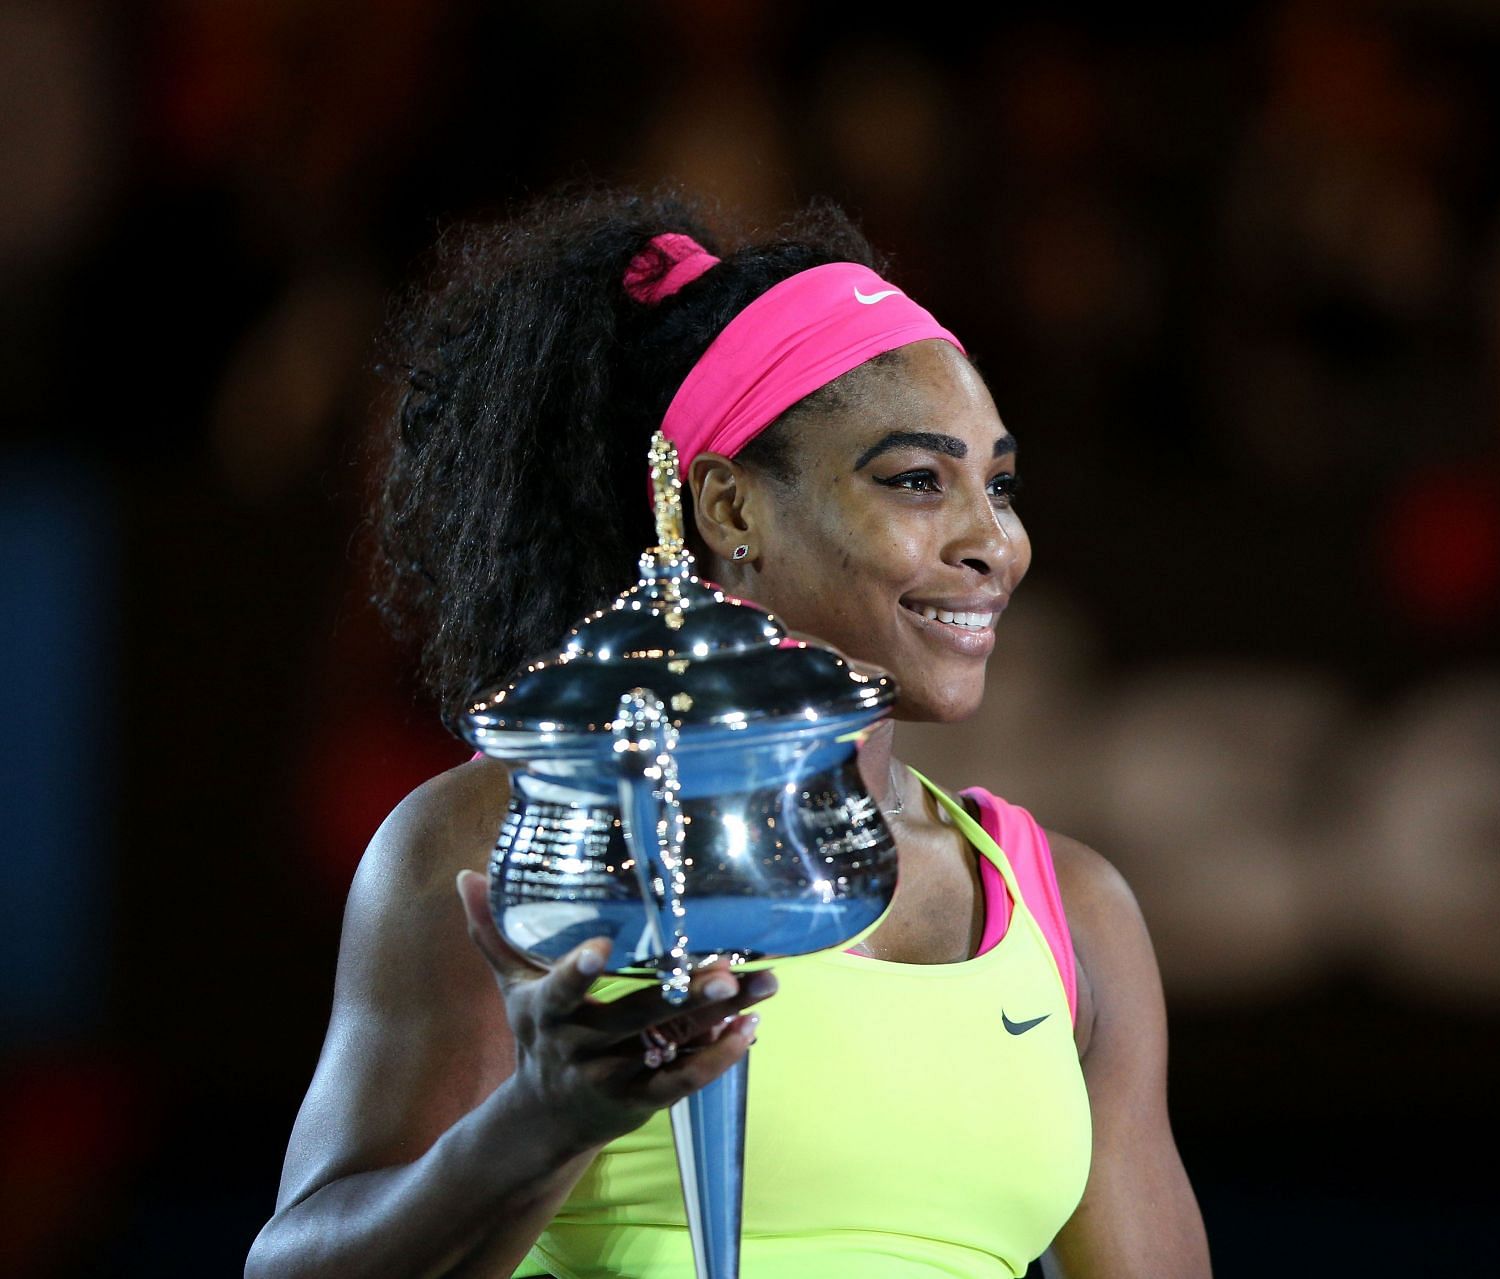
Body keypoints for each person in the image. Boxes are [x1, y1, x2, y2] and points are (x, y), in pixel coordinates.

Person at [246, 185, 1211, 1279]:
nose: (994, 541)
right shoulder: (500, 837)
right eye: (915, 480)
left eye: (999, 484)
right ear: (729, 508)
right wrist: (538, 1124)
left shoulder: (1070, 909)